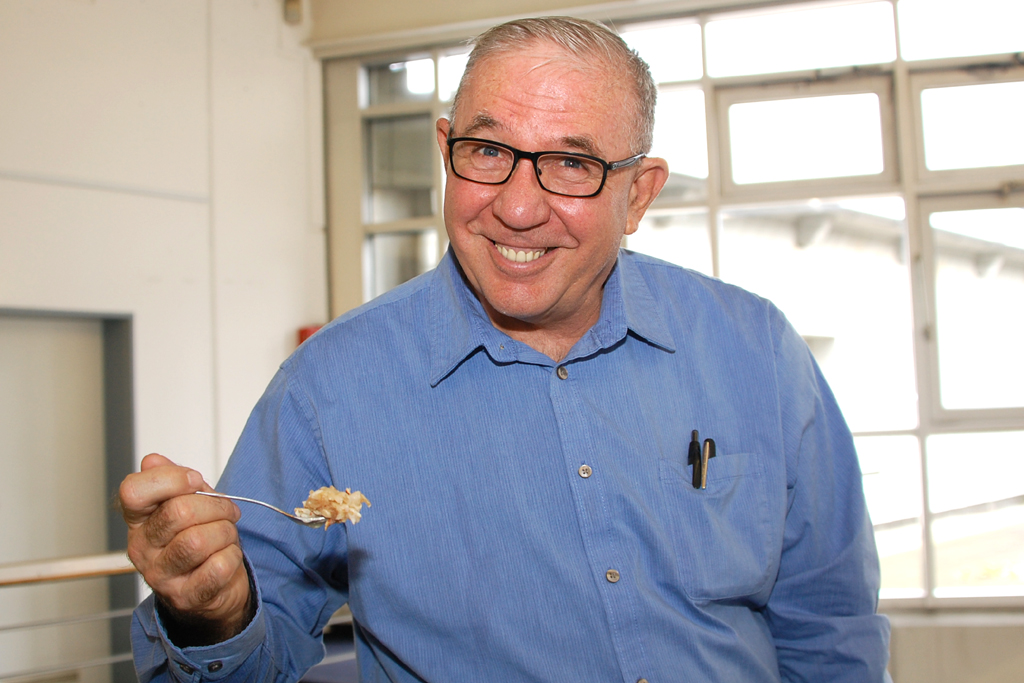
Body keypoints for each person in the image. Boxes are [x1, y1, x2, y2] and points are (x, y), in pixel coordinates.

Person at [120, 16, 891, 682]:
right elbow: (248, 655)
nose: (517, 208)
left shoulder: (754, 350)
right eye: (488, 151)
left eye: (572, 164)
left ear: (638, 194)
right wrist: (210, 613)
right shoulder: (328, 391)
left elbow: (831, 628)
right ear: (445, 149)